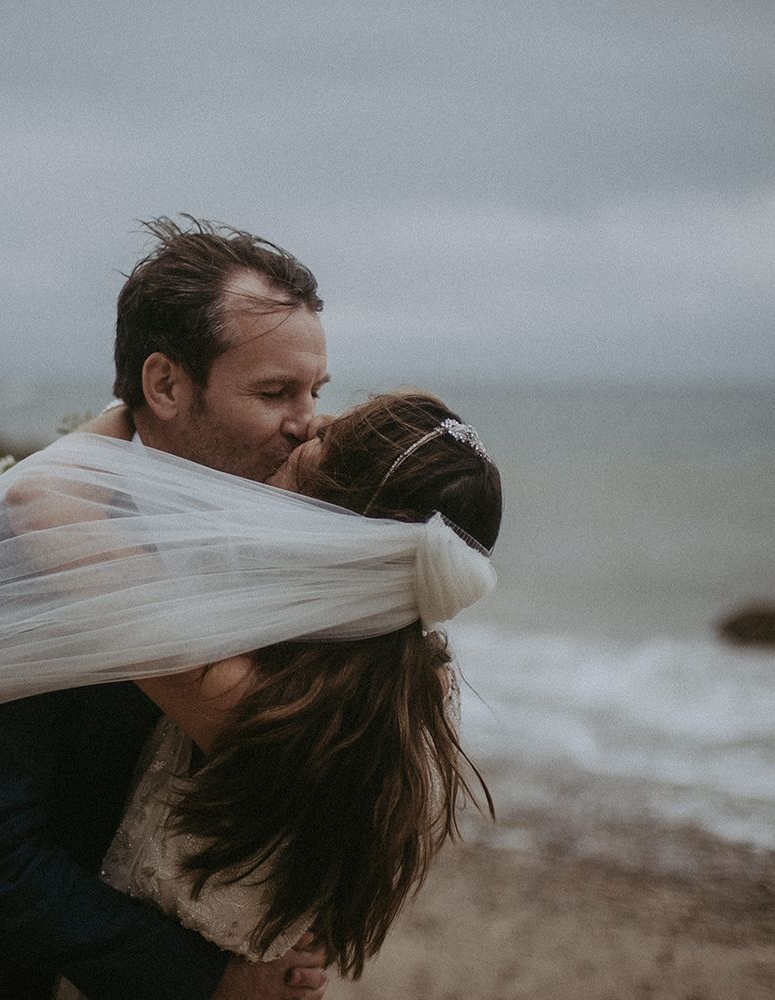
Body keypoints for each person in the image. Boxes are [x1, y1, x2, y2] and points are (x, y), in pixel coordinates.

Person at [0, 217, 333, 1000]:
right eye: (275, 391)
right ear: (167, 385)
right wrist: (210, 980)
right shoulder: (16, 552)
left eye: (315, 391)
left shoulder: (269, 552)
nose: (306, 421)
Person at [67, 389, 502, 994]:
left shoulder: (242, 693)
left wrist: (138, 402)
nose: (303, 427)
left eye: (323, 435)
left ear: (337, 517)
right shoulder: (415, 691)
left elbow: (45, 502)